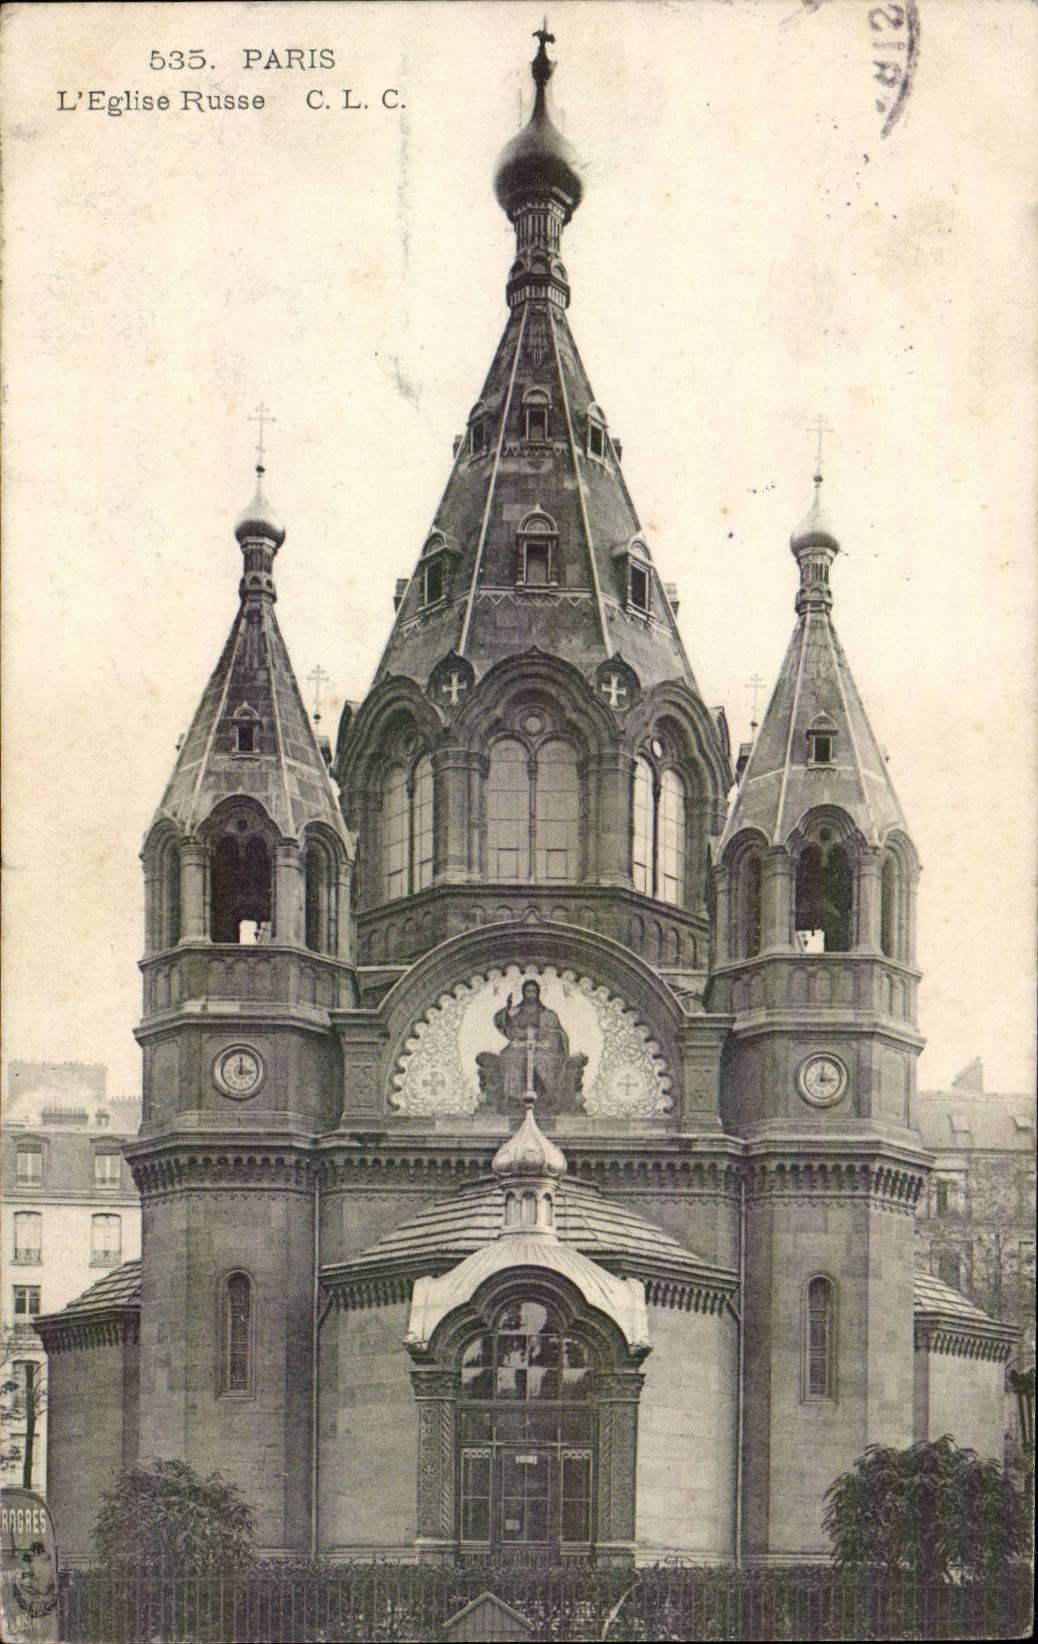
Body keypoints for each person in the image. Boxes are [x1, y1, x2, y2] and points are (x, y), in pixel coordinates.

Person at [492, 979, 569, 1101]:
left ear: (538, 993)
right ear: (523, 993)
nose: (531, 994)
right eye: (528, 991)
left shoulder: (548, 1014)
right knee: (511, 1058)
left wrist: (540, 1035)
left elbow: (557, 1034)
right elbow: (508, 1028)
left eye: (533, 991)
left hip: (542, 1047)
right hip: (520, 1046)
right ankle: (514, 1098)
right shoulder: (516, 1012)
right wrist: (507, 1010)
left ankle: (547, 1097)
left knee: (545, 1060)